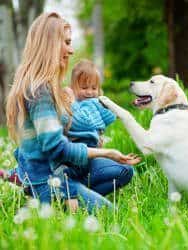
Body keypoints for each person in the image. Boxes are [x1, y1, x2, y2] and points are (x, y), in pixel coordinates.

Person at [5, 12, 140, 213]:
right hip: (48, 179)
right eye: (66, 42)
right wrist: (107, 153)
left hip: (63, 169)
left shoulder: (49, 87)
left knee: (123, 171)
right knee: (111, 215)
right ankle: (54, 199)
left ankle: (73, 196)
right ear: (50, 44)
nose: (71, 49)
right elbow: (55, 149)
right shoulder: (39, 92)